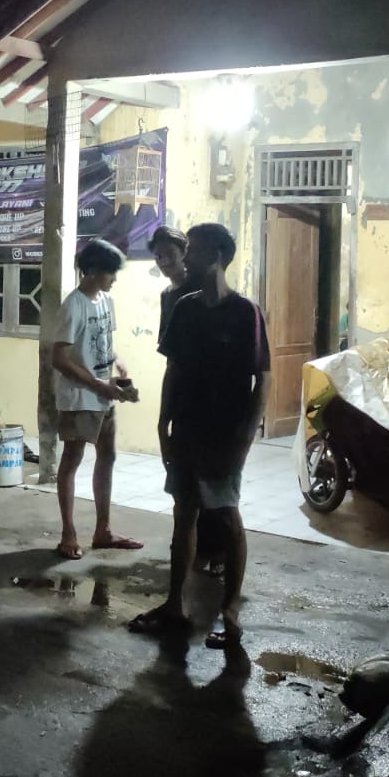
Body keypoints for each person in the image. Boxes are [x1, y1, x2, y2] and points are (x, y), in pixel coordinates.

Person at [132, 223, 268, 649]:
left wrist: (245, 439)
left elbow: (262, 380)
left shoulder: (245, 312)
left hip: (223, 434)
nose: (186, 256)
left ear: (218, 256)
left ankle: (230, 611)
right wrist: (163, 424)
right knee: (183, 514)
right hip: (187, 429)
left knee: (226, 517)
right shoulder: (185, 308)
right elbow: (173, 370)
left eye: (194, 249)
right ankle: (174, 604)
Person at [50, 238, 143, 560]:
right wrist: (97, 385)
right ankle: (68, 533)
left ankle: (103, 530)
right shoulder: (72, 306)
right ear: (90, 271)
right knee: (71, 461)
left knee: (107, 457)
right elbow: (59, 358)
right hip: (79, 398)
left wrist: (119, 363)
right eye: (109, 272)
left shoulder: (105, 300)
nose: (114, 279)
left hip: (105, 396)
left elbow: (103, 340)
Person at [150, 224, 198, 349]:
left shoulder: (199, 289)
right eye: (159, 256)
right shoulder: (166, 294)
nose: (164, 261)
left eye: (171, 254)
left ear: (184, 253)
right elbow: (167, 342)